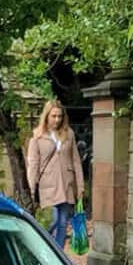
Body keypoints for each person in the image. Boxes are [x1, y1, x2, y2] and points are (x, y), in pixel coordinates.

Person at [27, 100, 85, 249]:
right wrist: (31, 188)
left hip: (66, 184)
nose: (57, 119)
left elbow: (76, 161)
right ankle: (38, 247)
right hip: (48, 184)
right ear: (46, 116)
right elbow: (33, 164)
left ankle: (58, 256)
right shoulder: (37, 136)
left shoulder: (69, 134)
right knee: (52, 220)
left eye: (59, 116)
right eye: (53, 116)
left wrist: (80, 186)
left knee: (63, 223)